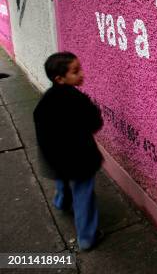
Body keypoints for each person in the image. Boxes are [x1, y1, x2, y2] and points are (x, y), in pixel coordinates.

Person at [33, 52, 104, 251]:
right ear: (60, 79)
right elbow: (95, 123)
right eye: (75, 71)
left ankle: (61, 202)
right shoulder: (78, 101)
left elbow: (39, 123)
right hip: (80, 160)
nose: (82, 74)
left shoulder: (46, 101)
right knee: (84, 196)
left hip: (57, 159)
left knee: (62, 179)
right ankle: (87, 237)